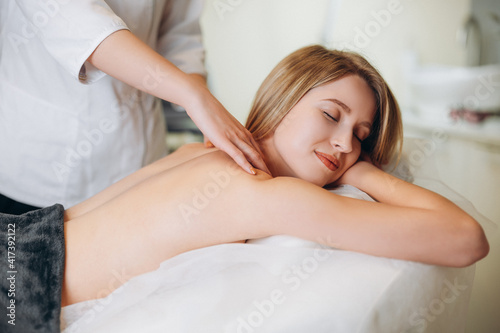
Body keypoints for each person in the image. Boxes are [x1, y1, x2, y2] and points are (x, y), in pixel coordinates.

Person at [0, 45, 489, 333]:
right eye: (331, 115)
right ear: (284, 98)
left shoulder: (200, 151)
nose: (344, 144)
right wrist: (366, 174)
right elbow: (466, 238)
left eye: (361, 137)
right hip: (19, 290)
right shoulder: (270, 195)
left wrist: (355, 163)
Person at [0, 0, 267, 215]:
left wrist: (201, 109)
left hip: (141, 159)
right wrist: (194, 97)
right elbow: (78, 22)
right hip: (42, 169)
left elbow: (179, 33)